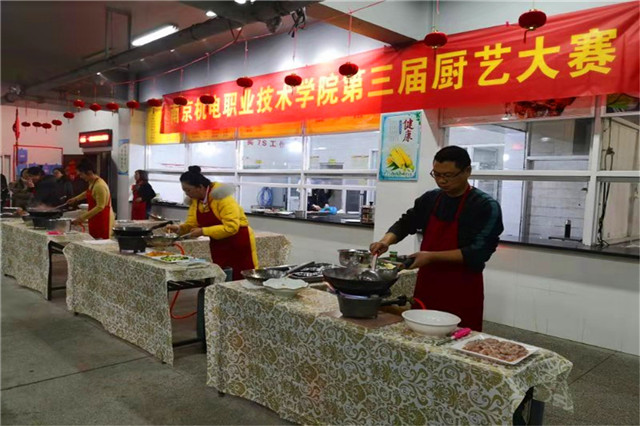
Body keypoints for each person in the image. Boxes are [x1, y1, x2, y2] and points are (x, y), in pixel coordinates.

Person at [370, 146, 504, 331]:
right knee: (420, 332)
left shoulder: (484, 206)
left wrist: (431, 257)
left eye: (448, 175)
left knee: (457, 337)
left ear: (467, 171)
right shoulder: (431, 199)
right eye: (437, 174)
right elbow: (406, 222)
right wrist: (385, 241)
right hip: (428, 283)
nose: (441, 180)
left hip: (462, 288)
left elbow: (478, 252)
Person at [166, 166, 258, 280]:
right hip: (218, 244)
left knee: (241, 276)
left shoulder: (223, 198)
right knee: (222, 275)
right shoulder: (196, 201)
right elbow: (192, 224)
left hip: (238, 241)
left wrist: (203, 231)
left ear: (200, 187)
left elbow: (231, 227)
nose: (187, 194)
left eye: (188, 190)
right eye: (184, 191)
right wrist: (179, 229)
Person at [68, 159, 114, 239]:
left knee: (101, 241)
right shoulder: (92, 182)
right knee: (94, 240)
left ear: (89, 172)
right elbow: (88, 192)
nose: (81, 177)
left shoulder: (100, 186)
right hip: (95, 217)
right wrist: (75, 199)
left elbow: (100, 206)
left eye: (81, 174)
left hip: (103, 220)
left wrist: (81, 218)